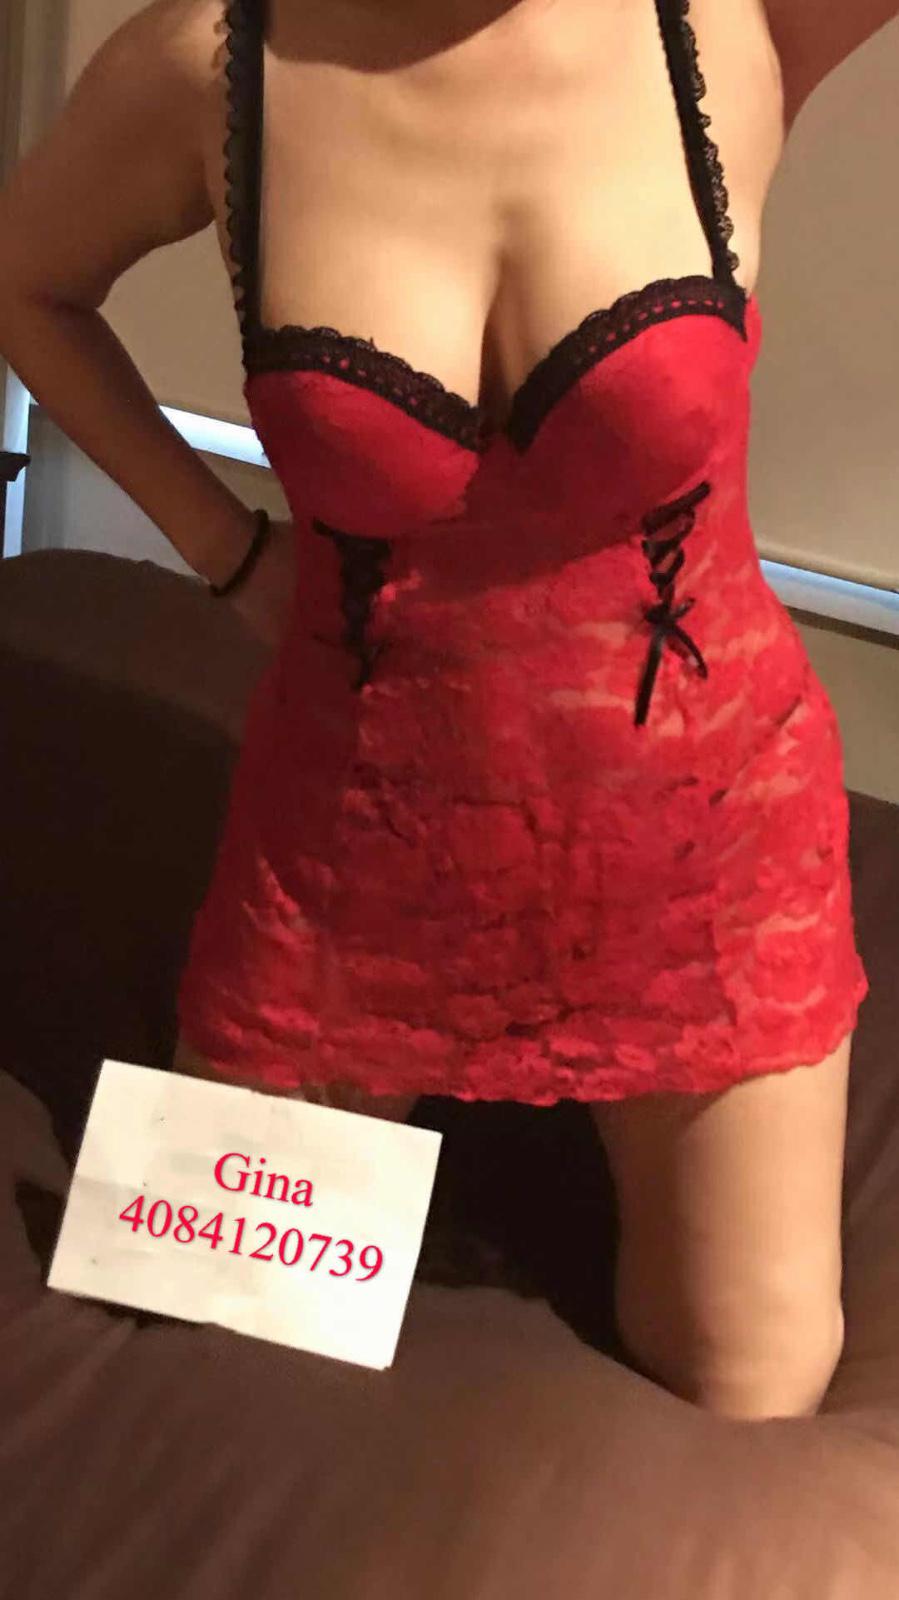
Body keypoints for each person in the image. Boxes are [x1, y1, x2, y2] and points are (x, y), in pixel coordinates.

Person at [0, 0, 892, 1420]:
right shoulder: (213, 64)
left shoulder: (736, 19)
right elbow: (25, 284)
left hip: (709, 859)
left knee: (754, 1390)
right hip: (349, 861)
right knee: (208, 1353)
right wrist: (224, 550)